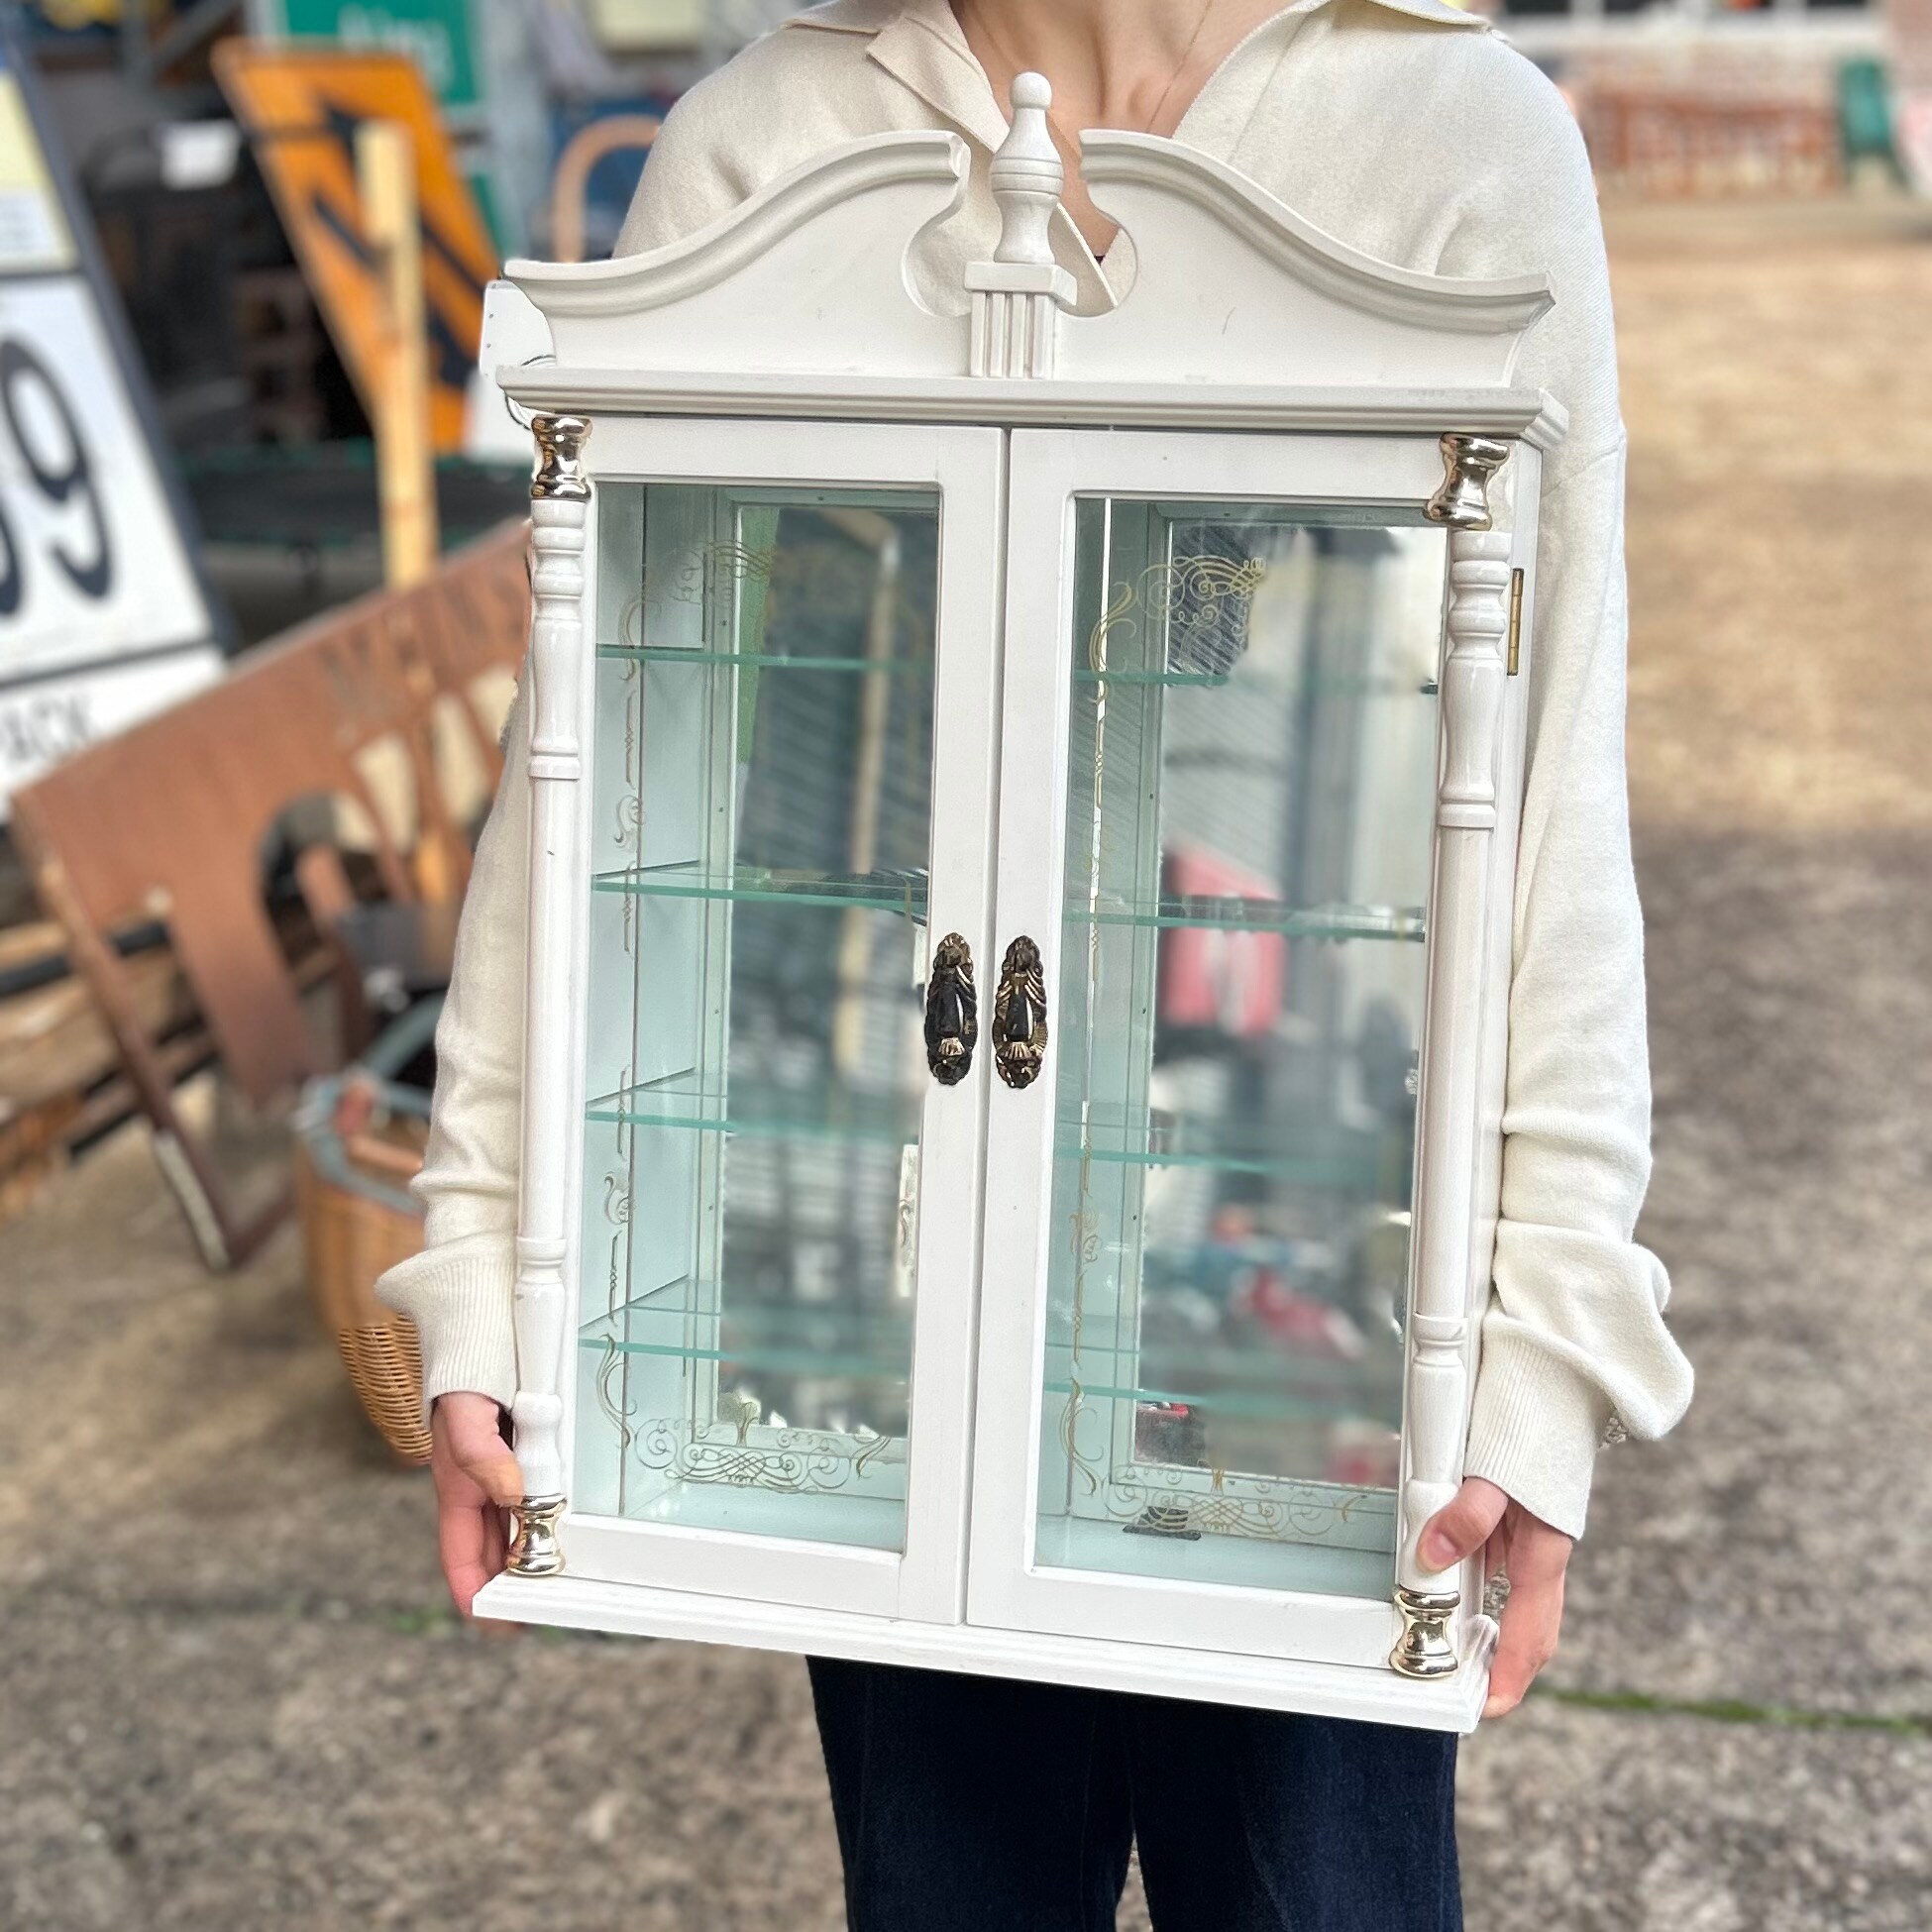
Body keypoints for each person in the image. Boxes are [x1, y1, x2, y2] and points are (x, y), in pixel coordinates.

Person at [377, 4, 1694, 1925]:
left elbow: (1555, 763)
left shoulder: (1450, 136)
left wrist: (1550, 1336)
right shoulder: (765, 139)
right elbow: (588, 754)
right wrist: (487, 1253)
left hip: (1310, 1332)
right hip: (896, 1343)